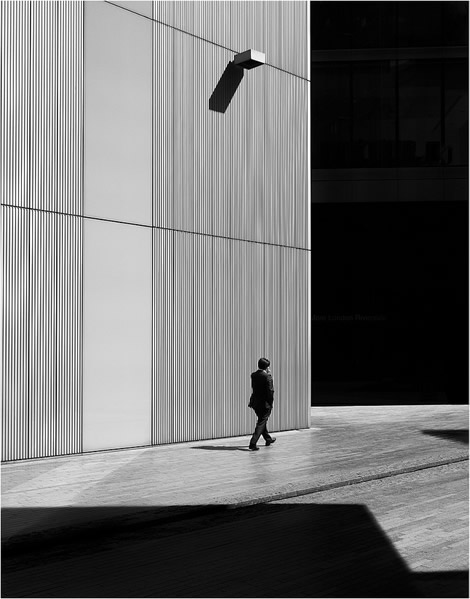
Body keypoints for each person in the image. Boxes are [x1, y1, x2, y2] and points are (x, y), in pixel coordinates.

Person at [248, 358, 276, 451]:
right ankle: (253, 443)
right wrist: (270, 403)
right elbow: (270, 391)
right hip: (265, 404)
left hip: (255, 402)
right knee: (261, 422)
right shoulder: (267, 377)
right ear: (267, 367)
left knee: (262, 421)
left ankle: (268, 439)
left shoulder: (254, 375)